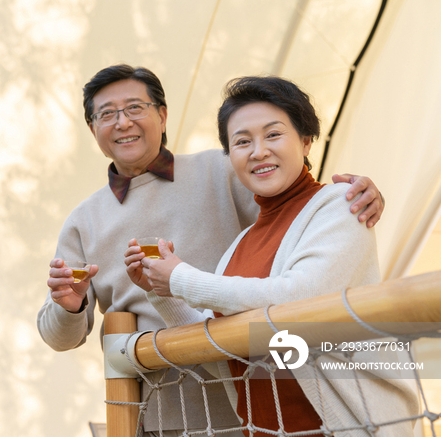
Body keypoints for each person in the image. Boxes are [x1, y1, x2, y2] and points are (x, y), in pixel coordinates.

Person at [36, 65, 386, 437]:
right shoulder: (83, 221)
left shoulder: (225, 169)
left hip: (265, 401)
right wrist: (69, 305)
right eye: (107, 114)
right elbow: (60, 338)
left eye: (135, 107)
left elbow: (301, 219)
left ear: (162, 114)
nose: (123, 122)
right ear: (92, 128)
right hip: (163, 414)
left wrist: (356, 192)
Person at [124, 76, 417, 436]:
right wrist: (161, 289)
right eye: (242, 141)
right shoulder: (241, 243)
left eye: (274, 134)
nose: (258, 151)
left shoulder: (341, 206)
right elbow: (217, 349)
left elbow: (295, 302)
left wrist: (180, 276)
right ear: (230, 157)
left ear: (306, 140)